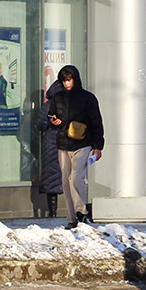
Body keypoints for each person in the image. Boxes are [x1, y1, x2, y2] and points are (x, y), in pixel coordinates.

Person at [46, 65, 104, 229]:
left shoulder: (88, 98)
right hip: (63, 143)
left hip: (83, 143)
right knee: (66, 181)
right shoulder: (57, 98)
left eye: (69, 79)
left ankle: (81, 212)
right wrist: (53, 121)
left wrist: (97, 146)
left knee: (76, 177)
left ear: (75, 79)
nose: (67, 83)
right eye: (64, 80)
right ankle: (72, 219)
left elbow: (96, 122)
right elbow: (50, 117)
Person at [38, 76, 65, 218]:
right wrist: (51, 123)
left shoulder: (49, 104)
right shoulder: (50, 105)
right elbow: (40, 124)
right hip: (55, 143)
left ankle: (53, 212)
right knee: (54, 179)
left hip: (57, 143)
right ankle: (54, 211)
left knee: (55, 179)